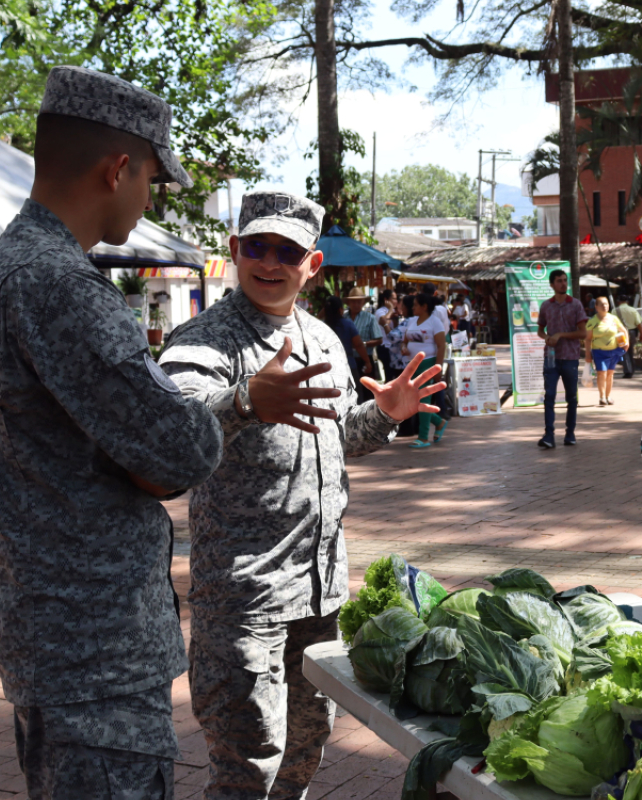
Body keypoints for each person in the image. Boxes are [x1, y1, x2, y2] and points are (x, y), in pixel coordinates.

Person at [0, 66, 226, 799]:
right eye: (151, 180)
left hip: (61, 645)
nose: (148, 200)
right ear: (119, 169)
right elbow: (183, 449)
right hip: (93, 655)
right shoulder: (60, 286)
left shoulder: (13, 267)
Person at [158, 191, 445, 799]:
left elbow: (338, 439)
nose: (270, 262)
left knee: (301, 757)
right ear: (236, 252)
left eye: (287, 250)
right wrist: (242, 400)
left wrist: (385, 414)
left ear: (311, 265)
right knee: (246, 769)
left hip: (319, 596)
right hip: (245, 600)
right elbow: (172, 431)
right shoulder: (205, 341)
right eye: (257, 247)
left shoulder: (322, 340)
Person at [536, 270, 587, 448]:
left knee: (571, 397)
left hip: (570, 357)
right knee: (549, 395)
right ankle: (549, 435)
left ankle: (570, 433)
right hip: (551, 357)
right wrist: (546, 338)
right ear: (551, 284)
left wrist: (560, 335)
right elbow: (540, 330)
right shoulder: (546, 306)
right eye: (559, 281)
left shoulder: (576, 305)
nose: (563, 284)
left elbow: (583, 333)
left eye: (565, 281)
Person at [403, 292, 449, 448]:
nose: (413, 307)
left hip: (427, 363)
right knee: (413, 399)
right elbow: (405, 340)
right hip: (411, 365)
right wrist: (404, 348)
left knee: (423, 399)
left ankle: (423, 437)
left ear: (425, 307)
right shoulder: (412, 321)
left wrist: (438, 368)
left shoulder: (435, 322)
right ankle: (439, 422)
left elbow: (442, 345)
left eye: (416, 304)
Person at [585, 297, 629, 405]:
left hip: (614, 351)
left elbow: (623, 330)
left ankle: (608, 396)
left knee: (610, 374)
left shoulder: (614, 318)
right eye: (602, 304)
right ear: (596, 307)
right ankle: (602, 397)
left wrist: (626, 342)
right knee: (601, 373)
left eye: (606, 304)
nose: (604, 306)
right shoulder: (592, 321)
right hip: (599, 351)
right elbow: (588, 339)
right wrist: (587, 354)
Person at [324, 295, 371, 395]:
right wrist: (367, 361)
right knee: (354, 395)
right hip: (347, 364)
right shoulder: (347, 324)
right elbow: (358, 344)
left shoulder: (322, 326)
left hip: (328, 365)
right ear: (341, 310)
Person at [345, 285, 385, 380]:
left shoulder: (370, 318)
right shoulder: (344, 318)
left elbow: (379, 340)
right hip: (348, 359)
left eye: (359, 302)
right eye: (353, 302)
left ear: (363, 303)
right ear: (349, 303)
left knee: (367, 389)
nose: (356, 304)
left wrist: (362, 344)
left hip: (365, 359)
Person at [614, 294, 642, 378]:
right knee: (631, 352)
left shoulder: (615, 310)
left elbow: (612, 323)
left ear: (618, 301)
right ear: (627, 301)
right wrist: (641, 334)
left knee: (624, 352)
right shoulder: (633, 310)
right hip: (632, 332)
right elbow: (639, 323)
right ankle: (632, 370)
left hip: (620, 333)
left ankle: (628, 371)